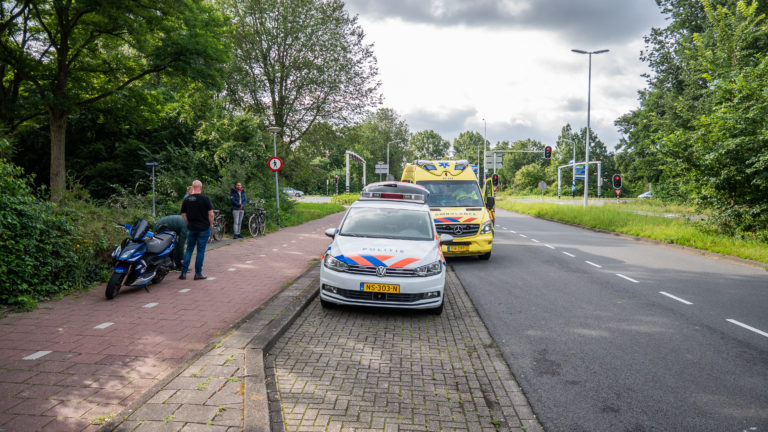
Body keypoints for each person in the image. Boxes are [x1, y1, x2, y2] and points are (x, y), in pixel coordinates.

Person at [180, 180, 214, 280]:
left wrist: (188, 223)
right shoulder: (205, 199)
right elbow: (211, 214)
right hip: (203, 229)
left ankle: (183, 273)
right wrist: (209, 225)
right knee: (200, 251)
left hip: (191, 228)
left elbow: (183, 215)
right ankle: (198, 273)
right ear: (201, 187)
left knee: (189, 250)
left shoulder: (186, 199)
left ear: (193, 187)